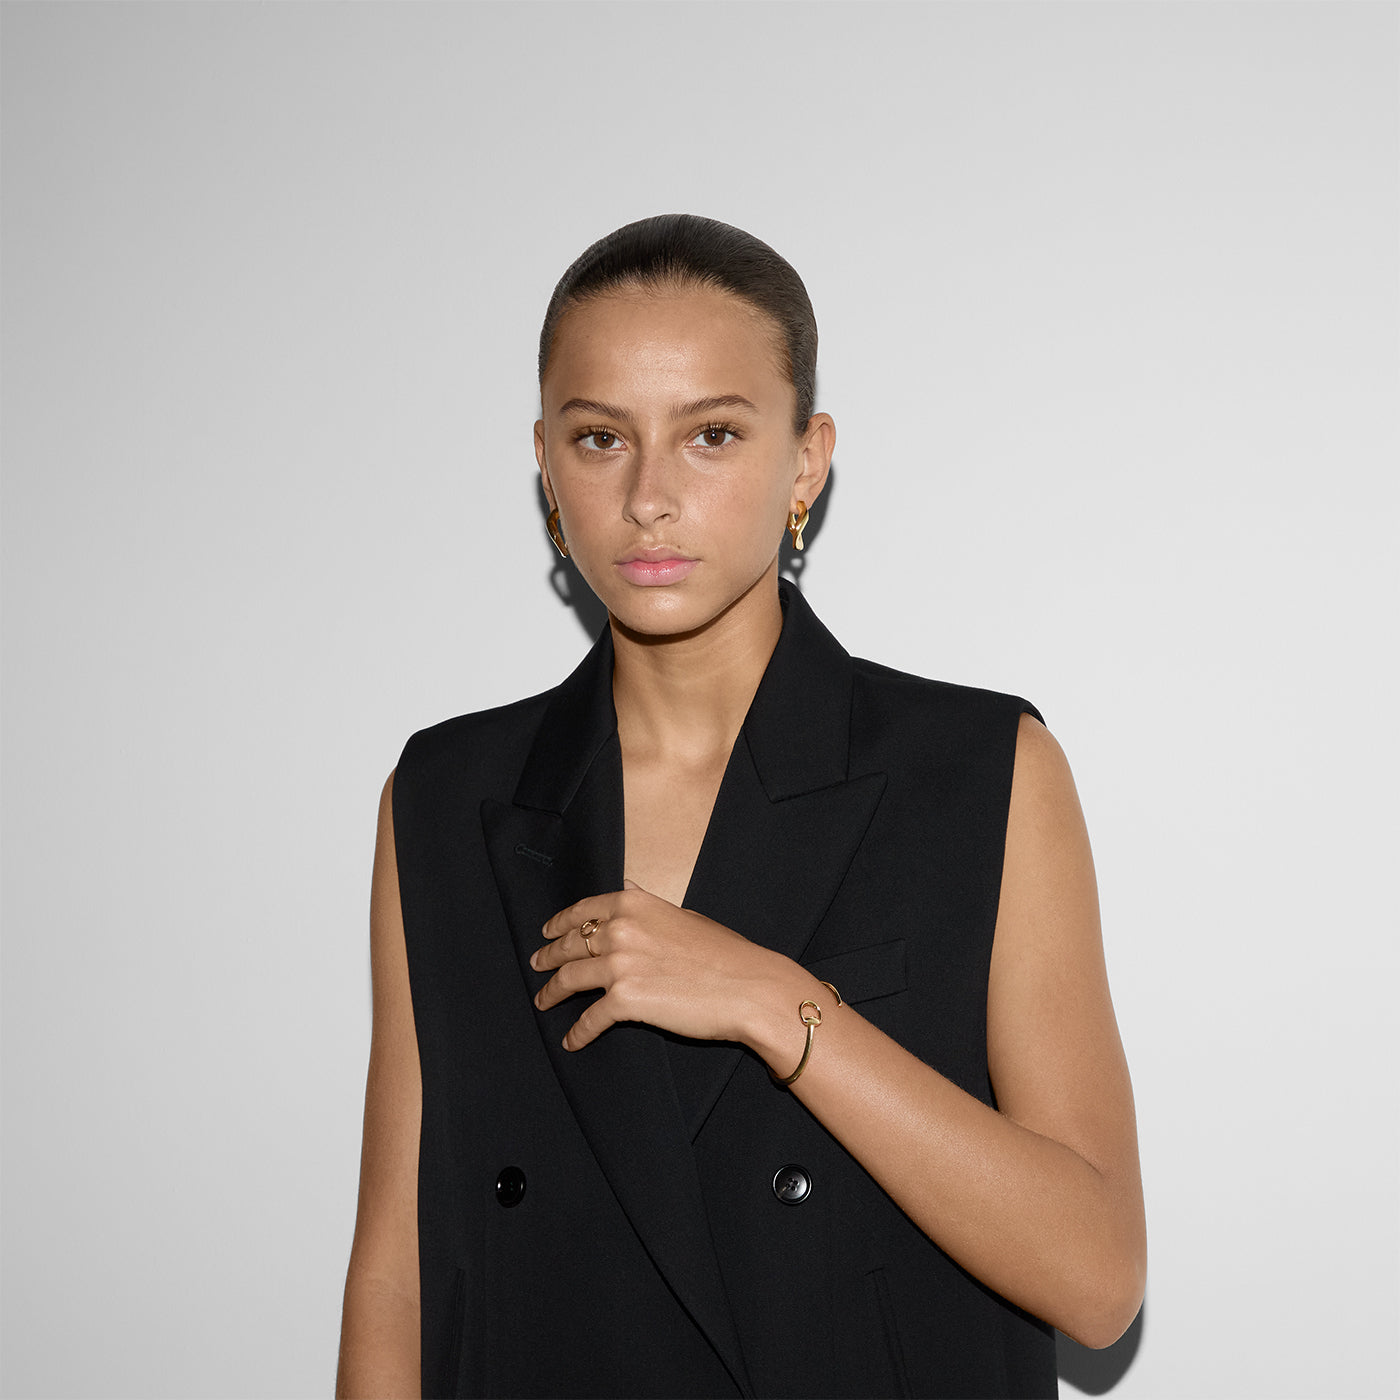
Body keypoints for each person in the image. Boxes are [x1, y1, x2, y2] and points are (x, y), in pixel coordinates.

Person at [336, 214, 1145, 1399]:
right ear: (548, 469)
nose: (650, 495)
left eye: (711, 433)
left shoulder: (979, 771)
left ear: (803, 460)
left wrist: (771, 1001)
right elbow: (396, 1273)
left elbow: (1096, 1274)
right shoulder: (449, 795)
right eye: (601, 437)